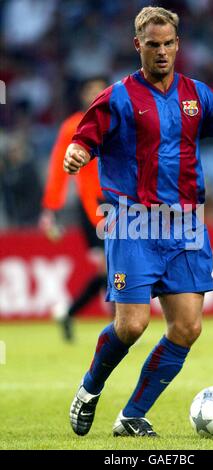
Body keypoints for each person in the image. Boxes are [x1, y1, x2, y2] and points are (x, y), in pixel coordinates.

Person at [64, 6, 213, 437]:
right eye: (153, 45)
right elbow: (83, 141)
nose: (162, 52)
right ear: (138, 45)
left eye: (169, 44)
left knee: (188, 326)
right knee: (133, 324)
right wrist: (78, 154)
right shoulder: (117, 97)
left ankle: (132, 415)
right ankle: (89, 389)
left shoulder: (200, 95)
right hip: (133, 221)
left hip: (186, 224)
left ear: (178, 44)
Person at [40, 76, 109, 341]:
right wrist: (51, 209)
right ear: (81, 94)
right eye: (90, 89)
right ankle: (75, 314)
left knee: (114, 269)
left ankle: (71, 314)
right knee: (110, 269)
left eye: (100, 88)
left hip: (121, 203)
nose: (96, 93)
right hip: (94, 205)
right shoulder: (73, 126)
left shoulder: (119, 118)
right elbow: (59, 169)